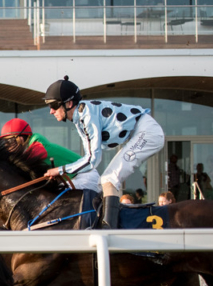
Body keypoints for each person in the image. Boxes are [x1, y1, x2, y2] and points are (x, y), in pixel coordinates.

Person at [43, 76, 164, 229]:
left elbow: (92, 161)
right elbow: (89, 159)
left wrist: (60, 170)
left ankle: (108, 229)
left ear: (69, 103)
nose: (51, 111)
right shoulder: (80, 117)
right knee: (104, 181)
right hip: (141, 131)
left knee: (109, 179)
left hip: (147, 132)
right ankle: (106, 224)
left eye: (53, 105)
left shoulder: (86, 115)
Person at [0, 118, 102, 193]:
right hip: (74, 178)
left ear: (20, 139)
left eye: (8, 141)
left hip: (86, 177)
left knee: (56, 196)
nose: (6, 146)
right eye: (4, 143)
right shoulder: (33, 145)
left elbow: (16, 170)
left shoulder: (38, 147)